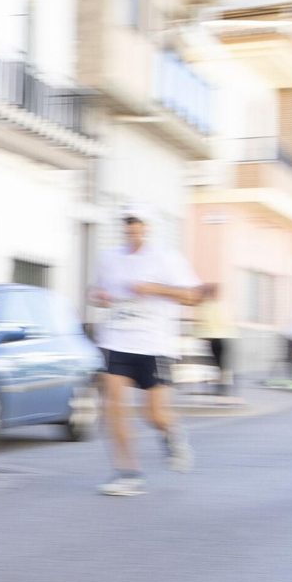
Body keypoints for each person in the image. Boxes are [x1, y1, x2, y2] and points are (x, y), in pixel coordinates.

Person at [90, 205, 203, 496]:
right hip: (117, 340)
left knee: (153, 415)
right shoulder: (109, 258)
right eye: (126, 221)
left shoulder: (167, 258)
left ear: (148, 226)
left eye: (135, 221)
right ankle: (127, 474)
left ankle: (171, 433)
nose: (130, 226)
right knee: (113, 408)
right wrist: (101, 297)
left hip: (154, 344)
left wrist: (155, 288)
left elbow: (192, 296)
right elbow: (98, 293)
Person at [192, 284, 236, 396]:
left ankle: (216, 387)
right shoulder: (219, 306)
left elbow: (200, 324)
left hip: (211, 338)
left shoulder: (203, 306)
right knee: (221, 365)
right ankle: (222, 388)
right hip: (222, 337)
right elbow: (225, 322)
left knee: (213, 364)